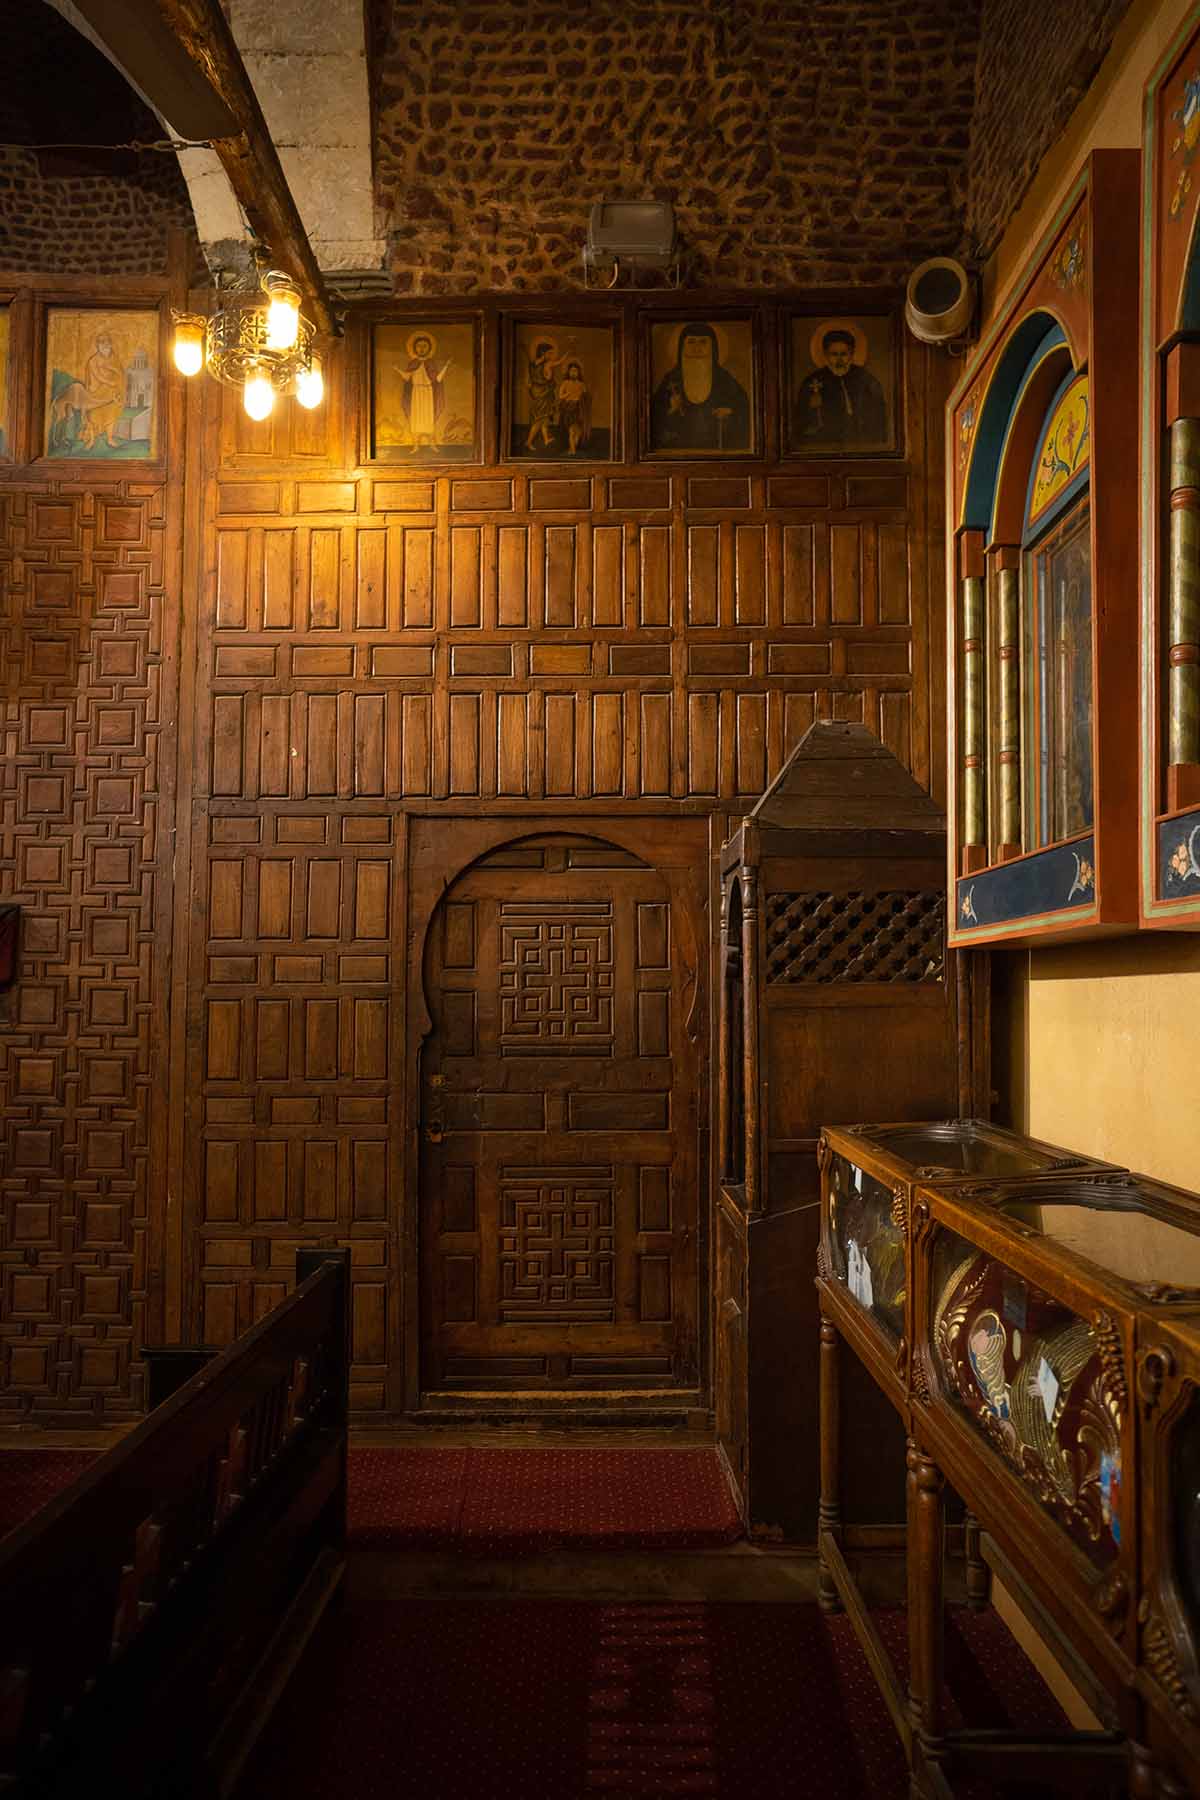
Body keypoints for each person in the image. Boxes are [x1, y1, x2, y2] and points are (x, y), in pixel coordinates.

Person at [650, 322, 750, 452]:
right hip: (678, 449)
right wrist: (671, 410)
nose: (696, 347)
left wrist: (730, 412)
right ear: (682, 346)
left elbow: (743, 407)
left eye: (703, 342)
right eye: (691, 342)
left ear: (713, 347)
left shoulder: (724, 379)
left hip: (716, 448)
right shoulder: (671, 379)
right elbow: (654, 415)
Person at [796, 326, 887, 447]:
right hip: (825, 444)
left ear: (852, 354)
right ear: (825, 355)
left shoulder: (866, 380)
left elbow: (878, 417)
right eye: (834, 354)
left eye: (843, 354)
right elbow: (801, 423)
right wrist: (811, 408)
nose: (839, 360)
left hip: (859, 443)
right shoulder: (812, 382)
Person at [396, 332, 452, 451]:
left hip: (428, 393)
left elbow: (437, 379)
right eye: (419, 346)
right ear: (415, 348)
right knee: (416, 418)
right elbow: (407, 378)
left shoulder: (431, 363)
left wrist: (446, 366)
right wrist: (398, 370)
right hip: (416, 393)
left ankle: (432, 443)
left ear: (429, 348)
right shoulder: (413, 363)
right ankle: (416, 445)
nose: (421, 349)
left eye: (424, 346)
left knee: (428, 418)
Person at [524, 336, 571, 451]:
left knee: (544, 419)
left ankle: (545, 439)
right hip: (543, 395)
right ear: (543, 353)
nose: (551, 356)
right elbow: (560, 362)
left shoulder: (533, 363)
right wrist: (569, 351)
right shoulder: (547, 364)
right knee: (539, 420)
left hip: (541, 393)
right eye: (550, 353)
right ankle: (528, 442)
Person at [556, 358, 591, 456]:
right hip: (568, 409)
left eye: (576, 371)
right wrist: (567, 394)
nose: (574, 373)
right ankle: (572, 450)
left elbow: (586, 397)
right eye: (572, 371)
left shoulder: (581, 384)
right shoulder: (565, 383)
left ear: (579, 373)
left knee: (578, 431)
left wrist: (584, 397)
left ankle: (573, 448)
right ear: (568, 372)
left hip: (579, 409)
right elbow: (560, 396)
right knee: (572, 430)